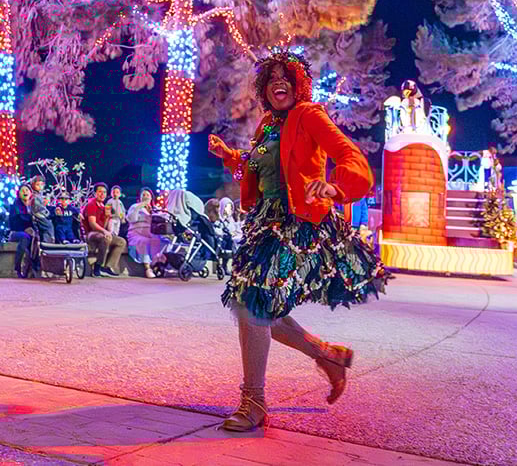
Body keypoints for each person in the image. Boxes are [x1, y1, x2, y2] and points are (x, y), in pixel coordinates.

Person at [207, 51, 386, 432]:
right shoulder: (269, 124)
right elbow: (256, 167)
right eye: (270, 78)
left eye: (285, 77)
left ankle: (253, 401)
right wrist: (230, 157)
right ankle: (328, 355)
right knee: (255, 309)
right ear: (264, 88)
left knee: (252, 305)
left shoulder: (310, 115)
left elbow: (350, 158)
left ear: (298, 84)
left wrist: (336, 187)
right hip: (263, 224)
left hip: (295, 223)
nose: (278, 83)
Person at [84, 183, 127, 277]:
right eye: (100, 192)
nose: (102, 194)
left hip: (101, 233)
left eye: (104, 192)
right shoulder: (91, 205)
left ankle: (108, 266)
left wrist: (107, 217)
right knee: (106, 238)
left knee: (121, 242)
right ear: (95, 193)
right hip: (91, 234)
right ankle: (98, 266)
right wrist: (105, 232)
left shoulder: (104, 206)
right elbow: (93, 224)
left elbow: (104, 226)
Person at [126, 187, 168, 279]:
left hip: (151, 234)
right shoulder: (134, 206)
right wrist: (139, 207)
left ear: (151, 198)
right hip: (136, 234)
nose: (145, 196)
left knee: (165, 242)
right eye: (143, 195)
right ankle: (147, 268)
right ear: (140, 197)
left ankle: (159, 265)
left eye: (147, 195)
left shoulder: (155, 209)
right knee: (145, 242)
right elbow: (132, 219)